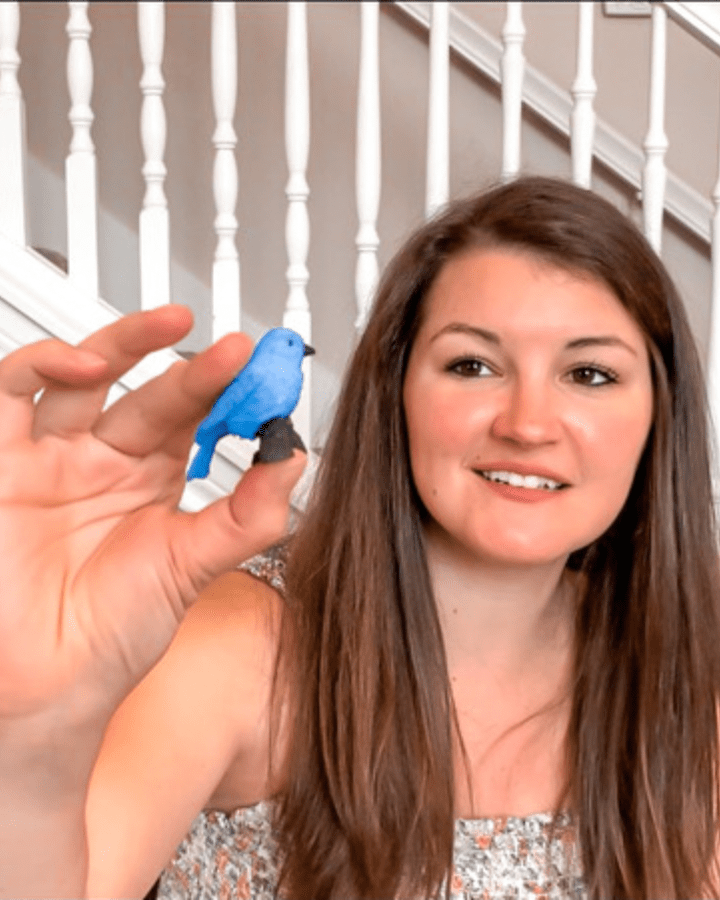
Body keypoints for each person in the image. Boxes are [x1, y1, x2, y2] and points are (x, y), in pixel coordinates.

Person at [0, 176, 718, 900]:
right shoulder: (246, 648)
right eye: (472, 365)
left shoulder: (683, 672)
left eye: (589, 374)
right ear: (396, 392)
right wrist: (36, 731)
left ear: (661, 416)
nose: (527, 424)